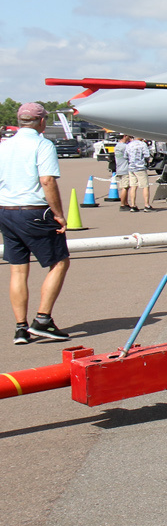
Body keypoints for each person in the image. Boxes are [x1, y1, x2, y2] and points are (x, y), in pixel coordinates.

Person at [0, 102, 71, 344]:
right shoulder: (42, 144)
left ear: (20, 121)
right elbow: (47, 180)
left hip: (6, 211)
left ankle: (21, 327)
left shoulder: (4, 145)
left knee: (18, 269)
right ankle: (42, 320)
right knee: (60, 262)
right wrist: (59, 213)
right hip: (34, 210)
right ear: (42, 122)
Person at [117, 133, 152, 212]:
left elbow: (125, 156)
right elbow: (147, 155)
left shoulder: (129, 145)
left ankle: (133, 205)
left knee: (133, 186)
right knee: (145, 186)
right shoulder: (142, 144)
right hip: (140, 167)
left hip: (131, 168)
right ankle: (146, 205)